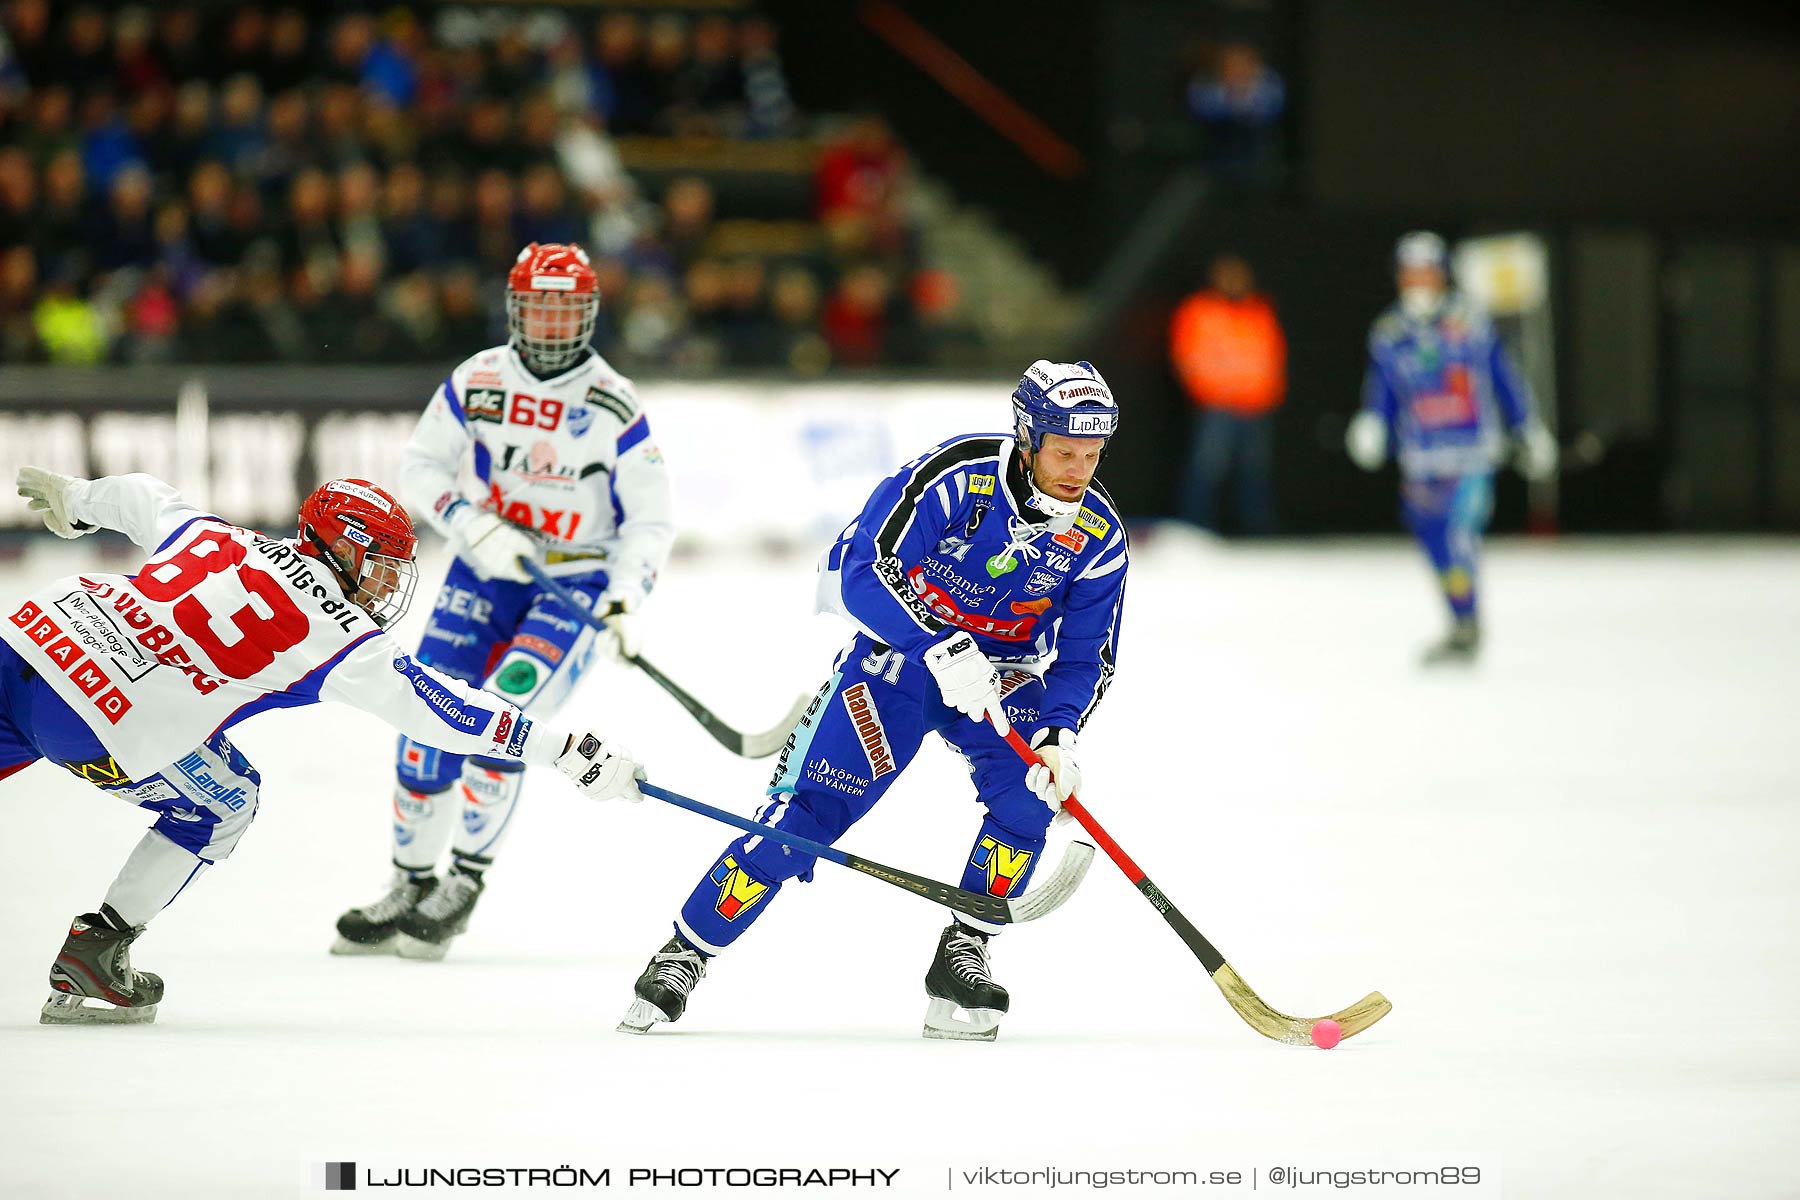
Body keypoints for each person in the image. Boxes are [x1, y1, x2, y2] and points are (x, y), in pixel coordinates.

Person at [2, 468, 646, 1025]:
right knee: (226, 803)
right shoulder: (341, 635)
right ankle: (97, 950)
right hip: (94, 714)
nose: (389, 585)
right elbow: (447, 714)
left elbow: (145, 498)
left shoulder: (221, 535)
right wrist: (565, 749)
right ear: (343, 547)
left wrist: (78, 498)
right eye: (383, 564)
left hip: (30, 636)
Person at [617, 360, 1128, 1041]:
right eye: (1065, 451)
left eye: (1092, 455)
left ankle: (963, 954)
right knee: (806, 818)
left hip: (1001, 681)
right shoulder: (956, 475)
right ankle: (688, 947)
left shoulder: (1098, 534)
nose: (1078, 470)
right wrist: (938, 644)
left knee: (1031, 793)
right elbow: (852, 570)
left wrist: (1059, 734)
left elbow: (1086, 655)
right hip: (900, 662)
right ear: (1028, 436)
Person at [332, 241, 675, 961]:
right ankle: (410, 880)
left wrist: (623, 600)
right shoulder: (478, 377)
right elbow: (420, 465)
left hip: (573, 583)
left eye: (565, 311)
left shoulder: (613, 400)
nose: (550, 327)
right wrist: (470, 523)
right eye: (538, 309)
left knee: (506, 720)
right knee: (424, 716)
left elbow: (649, 518)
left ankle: (463, 881)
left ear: (588, 314)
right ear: (515, 309)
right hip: (483, 571)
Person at [1346, 231, 1557, 663]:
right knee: (1431, 535)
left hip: (1470, 450)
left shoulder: (1471, 321)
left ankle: (1467, 624)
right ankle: (1461, 616)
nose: (1418, 282)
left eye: (1426, 273)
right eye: (1410, 274)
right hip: (1422, 454)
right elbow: (1384, 388)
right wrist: (1372, 420)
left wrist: (1526, 425)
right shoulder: (1390, 331)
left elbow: (1503, 377)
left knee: (1458, 533)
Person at [1169, 253, 1287, 533]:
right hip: (1218, 405)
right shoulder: (1199, 310)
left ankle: (1259, 530)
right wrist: (1208, 390)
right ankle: (1193, 528)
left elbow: (1272, 354)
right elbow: (1187, 356)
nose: (1234, 282)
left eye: (1239, 276)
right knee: (1207, 467)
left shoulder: (1259, 310)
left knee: (1255, 471)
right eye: (1228, 275)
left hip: (1255, 405)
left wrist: (1270, 391)